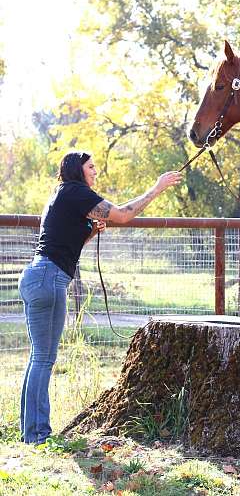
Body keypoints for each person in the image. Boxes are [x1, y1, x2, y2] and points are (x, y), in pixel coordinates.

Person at [18, 151, 183, 444]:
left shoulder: (62, 195)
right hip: (47, 278)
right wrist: (158, 188)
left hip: (40, 276)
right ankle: (36, 435)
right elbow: (123, 214)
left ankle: (33, 432)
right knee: (43, 358)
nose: (95, 172)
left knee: (39, 358)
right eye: (91, 167)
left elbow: (66, 239)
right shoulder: (76, 192)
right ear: (77, 170)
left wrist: (91, 230)